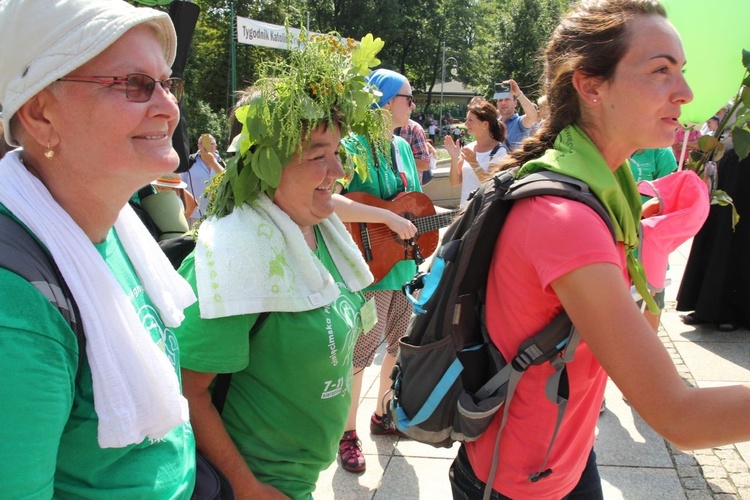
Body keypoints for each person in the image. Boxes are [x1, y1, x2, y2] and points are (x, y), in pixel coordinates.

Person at [449, 1, 750, 499]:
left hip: (567, 456)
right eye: (660, 71)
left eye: (682, 71)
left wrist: (654, 240)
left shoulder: (608, 183)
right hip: (521, 483)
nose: (687, 92)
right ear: (590, 86)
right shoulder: (566, 218)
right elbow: (679, 416)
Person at [174, 32, 383, 498]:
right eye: (317, 156)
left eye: (338, 153)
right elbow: (187, 391)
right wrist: (246, 487)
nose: (339, 171)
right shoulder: (232, 258)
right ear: (264, 166)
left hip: (302, 479)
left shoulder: (320, 231)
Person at [0, 0, 196, 497]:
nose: (168, 107)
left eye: (166, 83)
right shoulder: (15, 309)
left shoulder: (112, 226)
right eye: (134, 84)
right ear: (42, 115)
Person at [332, 68, 423, 473]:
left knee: (399, 344)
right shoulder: (350, 145)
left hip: (400, 264)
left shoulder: (403, 146)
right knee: (361, 352)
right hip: (368, 269)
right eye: (408, 97)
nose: (413, 104)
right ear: (386, 102)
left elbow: (411, 203)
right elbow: (334, 200)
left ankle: (382, 414)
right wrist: (384, 219)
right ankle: (346, 433)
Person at [677, 148, 750, 332]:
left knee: (740, 244)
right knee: (717, 236)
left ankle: (735, 312)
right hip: (733, 159)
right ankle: (705, 307)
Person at [444, 98, 508, 208]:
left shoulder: (500, 152)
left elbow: (492, 186)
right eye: (466, 119)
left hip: (484, 213)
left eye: (470, 120)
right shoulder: (469, 148)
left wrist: (474, 163)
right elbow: (455, 182)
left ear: (485, 124)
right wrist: (454, 158)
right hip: (465, 212)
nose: (465, 123)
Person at [182, 133, 225, 225]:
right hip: (193, 216)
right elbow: (180, 186)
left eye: (211, 143)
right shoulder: (189, 162)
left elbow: (227, 181)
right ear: (198, 146)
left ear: (216, 146)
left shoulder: (221, 163)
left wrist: (212, 162)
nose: (207, 146)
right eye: (203, 143)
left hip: (215, 216)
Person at [494, 78, 538, 151]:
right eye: (500, 100)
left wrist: (518, 93)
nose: (503, 103)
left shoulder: (519, 122)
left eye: (507, 99)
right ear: (497, 104)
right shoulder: (493, 125)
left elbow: (532, 115)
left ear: (515, 103)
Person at [395, 118, 433, 184]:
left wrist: (395, 161)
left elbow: (424, 164)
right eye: (408, 106)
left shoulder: (414, 129)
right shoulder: (374, 127)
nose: (413, 107)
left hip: (409, 188)